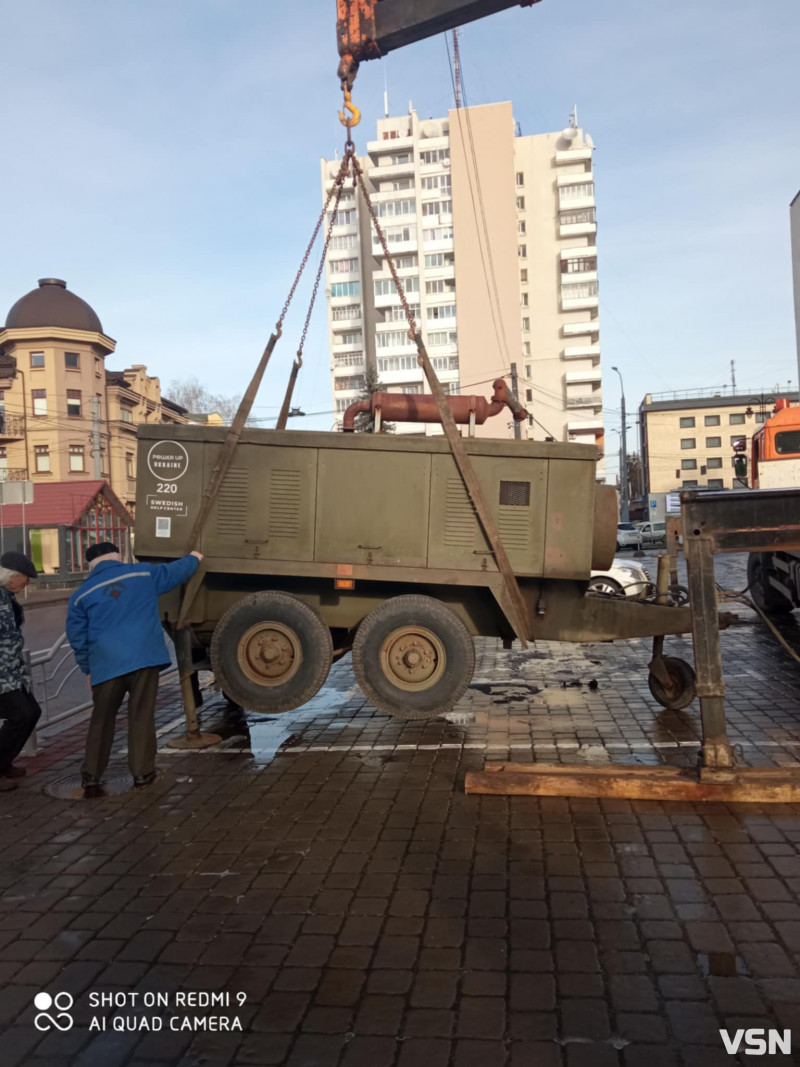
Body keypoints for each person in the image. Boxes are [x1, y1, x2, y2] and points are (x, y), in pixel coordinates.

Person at [66, 542, 203, 797]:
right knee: (141, 716)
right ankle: (142, 773)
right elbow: (175, 572)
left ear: (90, 565)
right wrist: (195, 557)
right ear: (118, 556)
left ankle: (91, 776)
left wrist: (88, 669)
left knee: (101, 720)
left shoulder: (81, 595)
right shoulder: (142, 575)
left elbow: (78, 638)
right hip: (143, 660)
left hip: (105, 666)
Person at [0, 551, 41, 792]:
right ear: (11, 576)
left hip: (12, 672)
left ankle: (5, 763)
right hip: (2, 674)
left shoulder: (7, 597)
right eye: (26, 577)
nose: (27, 583)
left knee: (31, 712)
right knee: (21, 715)